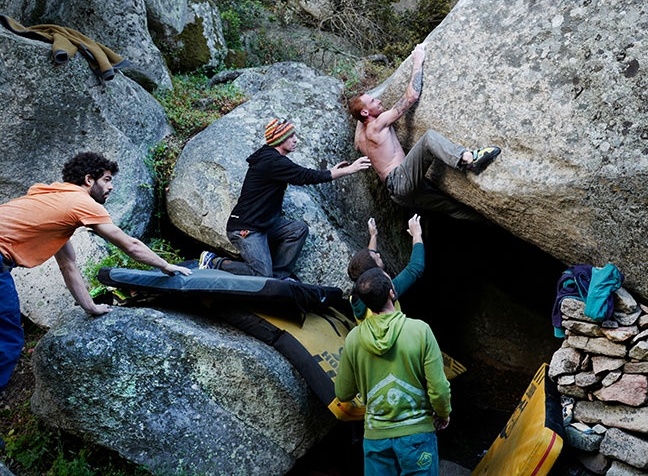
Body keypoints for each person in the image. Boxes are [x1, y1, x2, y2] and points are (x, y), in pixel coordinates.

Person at [0, 152, 192, 391]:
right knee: (7, 340)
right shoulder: (82, 202)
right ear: (89, 180)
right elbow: (130, 245)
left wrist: (90, 307)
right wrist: (165, 265)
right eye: (107, 180)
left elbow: (68, 266)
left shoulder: (53, 199)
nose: (111, 187)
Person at [199, 118, 371, 280]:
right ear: (279, 139)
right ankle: (214, 262)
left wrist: (333, 171)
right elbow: (306, 176)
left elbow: (303, 174)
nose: (296, 140)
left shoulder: (272, 158)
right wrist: (347, 170)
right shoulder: (272, 161)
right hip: (246, 228)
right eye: (290, 136)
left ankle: (278, 277)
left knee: (297, 230)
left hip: (263, 225)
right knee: (261, 274)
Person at [349, 44, 501, 221]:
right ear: (365, 113)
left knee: (452, 207)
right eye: (373, 101)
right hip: (401, 179)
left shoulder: (360, 140)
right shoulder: (378, 124)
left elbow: (359, 127)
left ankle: (489, 222)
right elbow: (411, 97)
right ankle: (468, 159)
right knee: (428, 139)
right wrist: (418, 61)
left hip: (398, 195)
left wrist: (360, 108)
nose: (379, 101)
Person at [335, 268, 451, 475]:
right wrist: (443, 413)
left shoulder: (353, 339)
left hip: (376, 439)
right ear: (391, 293)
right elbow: (439, 388)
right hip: (416, 437)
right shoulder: (420, 331)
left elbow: (343, 393)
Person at [347, 215, 424, 322]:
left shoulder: (357, 294)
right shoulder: (385, 291)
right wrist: (417, 235)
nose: (378, 254)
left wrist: (373, 235)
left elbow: (369, 261)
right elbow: (415, 268)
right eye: (377, 258)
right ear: (375, 272)